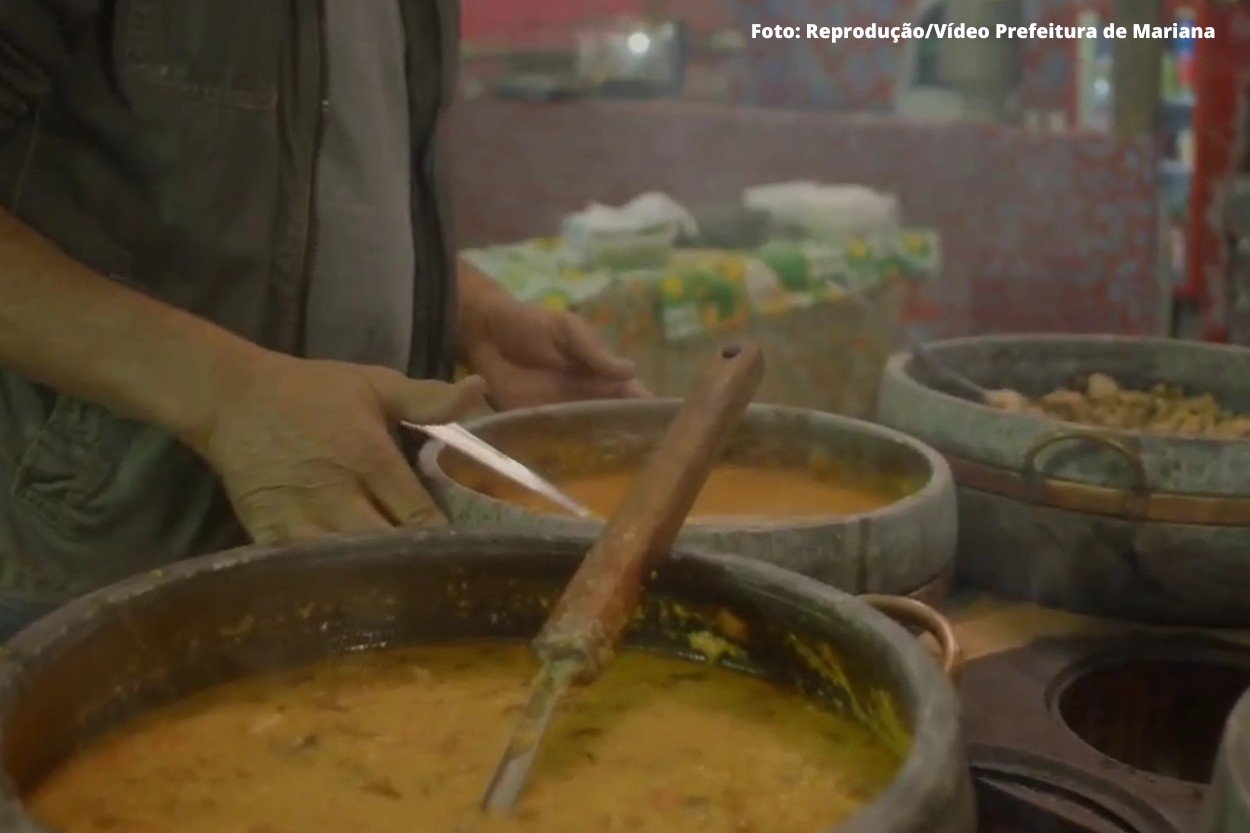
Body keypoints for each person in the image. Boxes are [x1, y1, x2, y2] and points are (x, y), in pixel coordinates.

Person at [0, 1, 645, 638]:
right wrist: (227, 395)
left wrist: (465, 307)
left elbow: (343, 166)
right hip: (100, 559)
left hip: (356, 522)